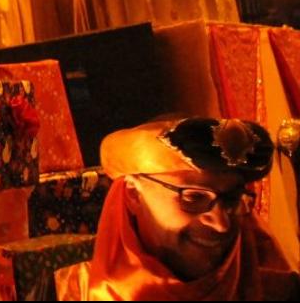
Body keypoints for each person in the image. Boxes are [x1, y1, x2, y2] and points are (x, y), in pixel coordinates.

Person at [57, 117, 299, 300]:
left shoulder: (280, 293)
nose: (221, 223)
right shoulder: (71, 293)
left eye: (232, 199)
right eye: (193, 198)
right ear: (133, 195)